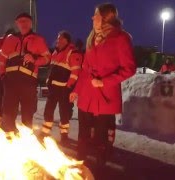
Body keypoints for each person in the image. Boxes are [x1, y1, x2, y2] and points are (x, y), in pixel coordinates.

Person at [69, 3, 136, 168]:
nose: (93, 18)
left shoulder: (121, 38)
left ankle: (100, 166)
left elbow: (129, 69)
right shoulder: (92, 38)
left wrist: (104, 82)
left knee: (101, 136)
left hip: (105, 96)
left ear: (106, 17)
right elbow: (85, 68)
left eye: (96, 15)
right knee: (83, 133)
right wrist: (76, 90)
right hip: (87, 95)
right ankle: (80, 162)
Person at [0, 13, 51, 137]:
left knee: (28, 111)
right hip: (10, 81)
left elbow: (47, 58)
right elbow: (2, 58)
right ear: (17, 23)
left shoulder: (38, 39)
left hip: (28, 82)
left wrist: (34, 59)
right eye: (21, 21)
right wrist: (2, 74)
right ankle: (8, 138)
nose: (24, 23)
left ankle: (27, 139)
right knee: (8, 110)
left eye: (26, 21)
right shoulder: (10, 39)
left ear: (31, 23)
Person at [41, 31, 82, 143]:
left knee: (65, 113)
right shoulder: (55, 52)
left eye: (60, 39)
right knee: (48, 110)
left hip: (65, 89)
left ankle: (64, 135)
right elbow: (51, 70)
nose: (58, 40)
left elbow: (75, 72)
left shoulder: (73, 53)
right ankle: (45, 131)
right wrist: (48, 81)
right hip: (53, 88)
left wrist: (69, 86)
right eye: (58, 38)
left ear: (66, 41)